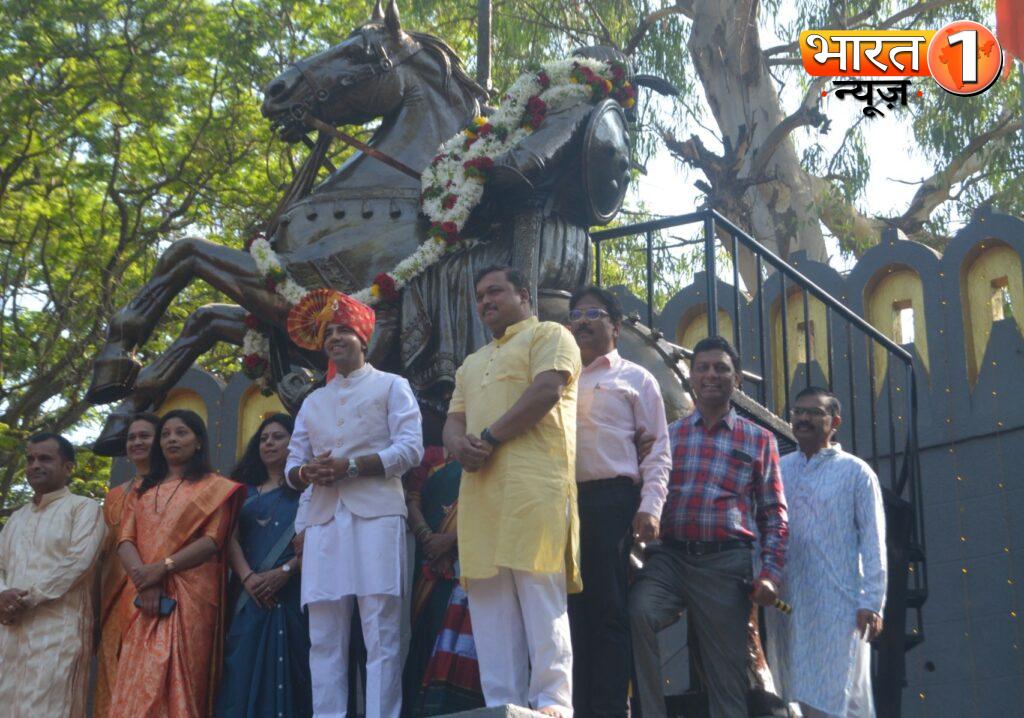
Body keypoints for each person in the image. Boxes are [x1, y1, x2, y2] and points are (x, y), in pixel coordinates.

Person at [443, 265, 582, 717]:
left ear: (524, 295)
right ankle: (502, 704)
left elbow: (546, 390)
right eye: (479, 296)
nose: (485, 301)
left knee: (540, 596)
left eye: (495, 291)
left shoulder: (550, 336)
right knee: (488, 605)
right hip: (481, 496)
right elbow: (453, 420)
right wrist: (458, 446)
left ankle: (553, 705)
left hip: (533, 490)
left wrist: (489, 438)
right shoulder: (471, 363)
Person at [628, 335, 788, 718]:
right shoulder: (670, 435)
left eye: (721, 368)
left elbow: (773, 515)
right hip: (670, 558)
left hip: (725, 565)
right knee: (638, 613)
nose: (711, 375)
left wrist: (769, 575)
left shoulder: (760, 439)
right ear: (692, 377)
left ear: (737, 380)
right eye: (702, 368)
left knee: (726, 679)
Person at [285, 289, 423, 718]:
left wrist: (352, 467)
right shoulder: (313, 401)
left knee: (381, 630)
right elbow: (292, 465)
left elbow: (411, 450)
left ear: (364, 338)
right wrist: (308, 473)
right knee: (324, 634)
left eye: (343, 330)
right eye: (328, 333)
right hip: (323, 520)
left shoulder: (392, 386)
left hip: (376, 515)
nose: (335, 338)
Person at [565, 286, 672, 718]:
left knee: (608, 608)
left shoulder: (637, 378)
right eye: (576, 315)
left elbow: (657, 448)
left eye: (593, 314)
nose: (582, 322)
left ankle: (609, 709)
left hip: (611, 501)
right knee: (568, 609)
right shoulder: (559, 377)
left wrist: (650, 506)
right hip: (560, 502)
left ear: (617, 325)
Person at [109, 409, 246, 718]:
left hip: (189, 599)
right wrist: (145, 581)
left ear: (198, 442)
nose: (172, 439)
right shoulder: (144, 492)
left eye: (181, 432)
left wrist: (162, 568)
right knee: (136, 681)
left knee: (182, 683)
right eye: (166, 434)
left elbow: (212, 541)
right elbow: (125, 541)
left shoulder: (214, 488)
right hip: (142, 597)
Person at [766, 386, 886, 718]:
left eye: (815, 412)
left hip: (840, 604)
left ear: (835, 422)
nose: (803, 418)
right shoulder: (778, 469)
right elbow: (764, 529)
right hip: (788, 602)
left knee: (841, 694)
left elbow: (874, 541)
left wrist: (872, 602)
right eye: (798, 412)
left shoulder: (855, 472)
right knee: (792, 690)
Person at [0, 433, 107, 717]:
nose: (35, 465)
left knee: (50, 710)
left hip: (58, 632)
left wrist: (26, 599)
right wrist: (2, 594)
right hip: (10, 632)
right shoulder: (17, 518)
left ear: (68, 467)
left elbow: (79, 563)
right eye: (30, 459)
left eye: (45, 458)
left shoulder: (84, 509)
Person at [215, 413, 313, 718]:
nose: (269, 443)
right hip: (248, 596)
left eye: (278, 437)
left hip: (293, 592)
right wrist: (248, 578)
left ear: (295, 443)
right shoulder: (240, 491)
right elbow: (228, 538)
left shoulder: (309, 491)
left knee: (296, 670)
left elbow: (320, 538)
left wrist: (286, 571)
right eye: (263, 438)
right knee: (241, 671)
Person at [402, 438, 483, 717]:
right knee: (428, 631)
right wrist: (428, 538)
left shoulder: (489, 453)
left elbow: (494, 504)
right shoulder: (431, 456)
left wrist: (450, 541)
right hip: (430, 566)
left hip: (472, 559)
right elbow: (412, 500)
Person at [95, 411, 159, 718]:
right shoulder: (114, 496)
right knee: (112, 670)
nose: (137, 442)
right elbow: (105, 551)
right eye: (132, 437)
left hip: (155, 591)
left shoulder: (171, 488)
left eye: (145, 436)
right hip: (114, 596)